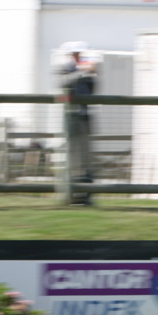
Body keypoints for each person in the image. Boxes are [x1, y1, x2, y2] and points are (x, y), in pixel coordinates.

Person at [58, 41, 96, 204]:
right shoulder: (65, 68)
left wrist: (92, 75)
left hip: (85, 116)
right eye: (76, 54)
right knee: (72, 157)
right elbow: (62, 83)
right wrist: (81, 72)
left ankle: (87, 195)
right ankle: (72, 195)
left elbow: (93, 90)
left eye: (80, 53)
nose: (78, 56)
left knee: (86, 158)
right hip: (71, 117)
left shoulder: (86, 68)